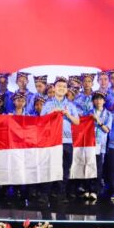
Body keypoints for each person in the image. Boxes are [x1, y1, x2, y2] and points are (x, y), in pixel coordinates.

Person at [41, 76, 81, 204]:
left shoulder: (70, 105)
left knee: (65, 168)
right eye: (59, 86)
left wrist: (68, 115)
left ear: (67, 89)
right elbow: (41, 121)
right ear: (54, 88)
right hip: (51, 142)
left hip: (67, 141)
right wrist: (52, 112)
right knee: (49, 167)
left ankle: (61, 193)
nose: (61, 88)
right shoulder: (48, 104)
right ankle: (45, 194)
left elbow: (77, 122)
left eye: (64, 87)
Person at [88, 91, 111, 201]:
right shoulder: (89, 112)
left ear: (104, 101)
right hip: (89, 143)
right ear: (93, 101)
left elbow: (107, 130)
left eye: (101, 99)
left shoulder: (108, 114)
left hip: (100, 144)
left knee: (98, 167)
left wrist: (98, 121)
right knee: (88, 165)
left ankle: (95, 190)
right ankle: (88, 188)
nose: (98, 101)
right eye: (96, 99)